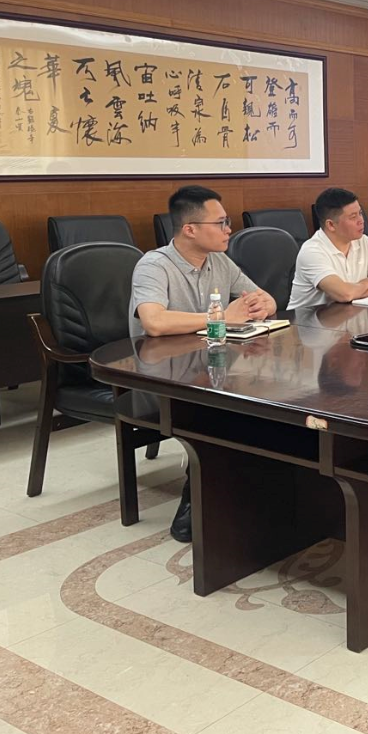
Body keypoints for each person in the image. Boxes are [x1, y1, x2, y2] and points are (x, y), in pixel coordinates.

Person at [129, 185, 277, 541]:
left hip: (210, 368)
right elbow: (154, 322)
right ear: (190, 229)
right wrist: (222, 317)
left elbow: (264, 298)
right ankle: (194, 499)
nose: (229, 230)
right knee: (224, 411)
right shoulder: (154, 265)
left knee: (270, 398)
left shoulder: (219, 261)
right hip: (161, 376)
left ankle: (261, 494)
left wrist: (263, 305)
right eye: (221, 223)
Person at [289, 188, 368, 308]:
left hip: (346, 314)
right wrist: (364, 284)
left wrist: (355, 293)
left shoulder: (364, 242)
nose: (361, 221)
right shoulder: (312, 251)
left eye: (360, 213)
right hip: (306, 318)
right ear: (331, 225)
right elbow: (344, 294)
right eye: (353, 217)